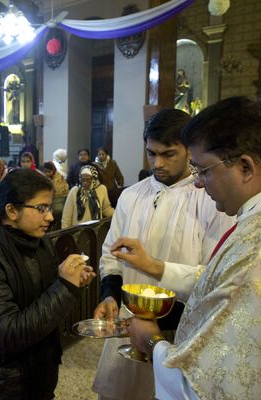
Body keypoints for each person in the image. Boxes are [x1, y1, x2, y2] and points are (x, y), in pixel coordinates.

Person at [121, 97, 261, 399]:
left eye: (202, 171)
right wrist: (156, 267)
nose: (198, 184)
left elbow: (208, 388)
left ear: (245, 167)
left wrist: (153, 343)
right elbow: (221, 282)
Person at [92, 109, 235, 400]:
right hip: (131, 323)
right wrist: (109, 295)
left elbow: (214, 275)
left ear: (189, 149)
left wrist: (159, 327)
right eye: (151, 153)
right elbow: (111, 255)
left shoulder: (209, 197)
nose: (158, 163)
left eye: (168, 154)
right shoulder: (132, 196)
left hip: (185, 331)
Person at [0, 169, 96, 399]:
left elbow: (46, 306)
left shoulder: (39, 242)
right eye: (41, 208)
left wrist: (72, 283)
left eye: (49, 207)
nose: (50, 216)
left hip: (39, 372)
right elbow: (8, 333)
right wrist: (64, 287)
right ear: (11, 210)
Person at [43, 161, 69, 226]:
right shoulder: (43, 178)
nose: (47, 174)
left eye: (49, 172)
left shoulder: (60, 178)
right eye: (45, 172)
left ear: (53, 170)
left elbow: (63, 190)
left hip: (58, 204)